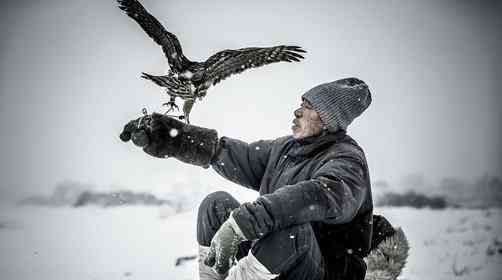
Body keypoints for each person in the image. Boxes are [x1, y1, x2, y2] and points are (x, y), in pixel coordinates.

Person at [120, 77, 403, 280]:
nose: (296, 111)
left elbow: (315, 195)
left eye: (307, 106)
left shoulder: (347, 160)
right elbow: (225, 153)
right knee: (215, 204)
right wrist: (172, 135)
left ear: (328, 119)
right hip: (274, 262)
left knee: (291, 227)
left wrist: (244, 223)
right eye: (300, 103)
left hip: (322, 270)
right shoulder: (285, 149)